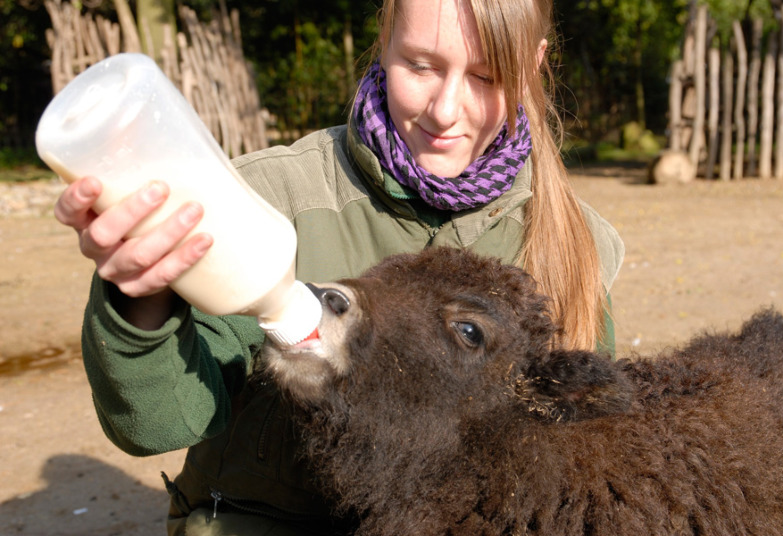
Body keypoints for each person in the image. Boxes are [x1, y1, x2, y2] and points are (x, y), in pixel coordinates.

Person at [53, 0, 624, 533]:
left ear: (534, 65)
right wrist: (141, 300)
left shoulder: (573, 245)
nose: (446, 111)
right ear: (384, 40)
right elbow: (156, 424)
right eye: (420, 66)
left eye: (486, 76)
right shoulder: (265, 198)